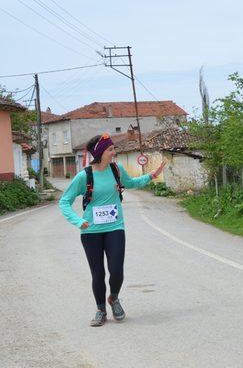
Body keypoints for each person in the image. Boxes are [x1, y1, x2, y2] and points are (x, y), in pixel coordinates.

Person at [59, 133, 165, 326]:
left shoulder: (117, 170)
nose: (114, 152)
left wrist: (152, 175)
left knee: (116, 269)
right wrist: (77, 221)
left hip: (115, 227)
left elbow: (131, 183)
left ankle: (113, 298)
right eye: (110, 149)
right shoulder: (84, 176)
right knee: (98, 273)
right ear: (100, 152)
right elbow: (64, 202)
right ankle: (100, 310)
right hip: (91, 231)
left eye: (113, 148)